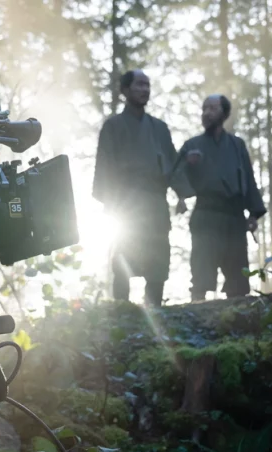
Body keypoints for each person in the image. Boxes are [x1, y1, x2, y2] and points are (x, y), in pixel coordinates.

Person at [92, 69, 178, 307]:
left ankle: (155, 311)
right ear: (126, 90)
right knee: (123, 258)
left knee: (157, 261)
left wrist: (181, 194)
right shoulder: (113, 126)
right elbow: (104, 166)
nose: (144, 90)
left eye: (147, 85)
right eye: (139, 85)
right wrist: (109, 202)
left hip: (155, 202)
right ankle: (121, 311)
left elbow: (173, 164)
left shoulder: (160, 128)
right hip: (126, 202)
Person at [170, 95, 266, 302]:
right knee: (202, 266)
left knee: (237, 272)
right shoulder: (192, 145)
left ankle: (239, 317)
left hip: (234, 214)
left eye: (213, 108)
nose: (207, 113)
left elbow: (248, 178)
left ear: (224, 113)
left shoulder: (237, 145)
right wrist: (184, 192)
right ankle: (197, 308)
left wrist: (254, 213)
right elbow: (175, 173)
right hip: (206, 212)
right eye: (204, 109)